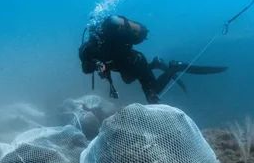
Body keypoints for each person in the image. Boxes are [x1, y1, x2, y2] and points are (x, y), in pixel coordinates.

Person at [78, 15, 227, 104]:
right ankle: (156, 63)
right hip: (126, 65)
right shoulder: (90, 49)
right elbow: (86, 68)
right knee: (129, 80)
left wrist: (98, 65)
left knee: (152, 94)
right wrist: (97, 65)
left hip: (134, 62)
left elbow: (87, 67)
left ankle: (174, 67)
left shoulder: (92, 46)